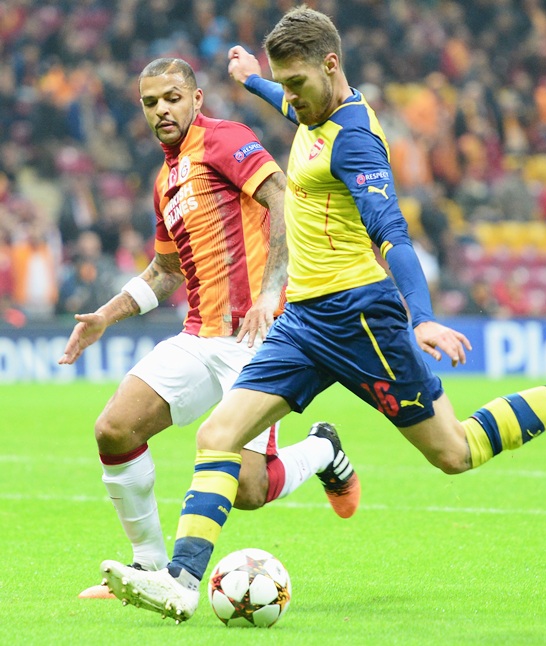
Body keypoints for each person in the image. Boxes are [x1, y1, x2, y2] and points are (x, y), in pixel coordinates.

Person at [100, 7, 546, 623]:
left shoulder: (356, 140)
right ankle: (180, 579)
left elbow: (392, 231)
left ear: (331, 66)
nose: (289, 99)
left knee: (456, 451)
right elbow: (291, 105)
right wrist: (251, 79)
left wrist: (420, 317)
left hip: (360, 317)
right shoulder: (311, 108)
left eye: (296, 85)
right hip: (303, 320)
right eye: (283, 87)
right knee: (218, 436)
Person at [58, 56, 360, 599]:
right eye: (151, 102)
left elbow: (283, 198)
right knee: (115, 429)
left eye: (172, 97)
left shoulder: (224, 140)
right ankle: (149, 570)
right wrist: (106, 314)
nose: (162, 110)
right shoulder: (166, 180)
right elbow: (166, 270)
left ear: (196, 99)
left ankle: (323, 450)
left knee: (247, 486)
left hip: (256, 336)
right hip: (201, 335)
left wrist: (271, 292)